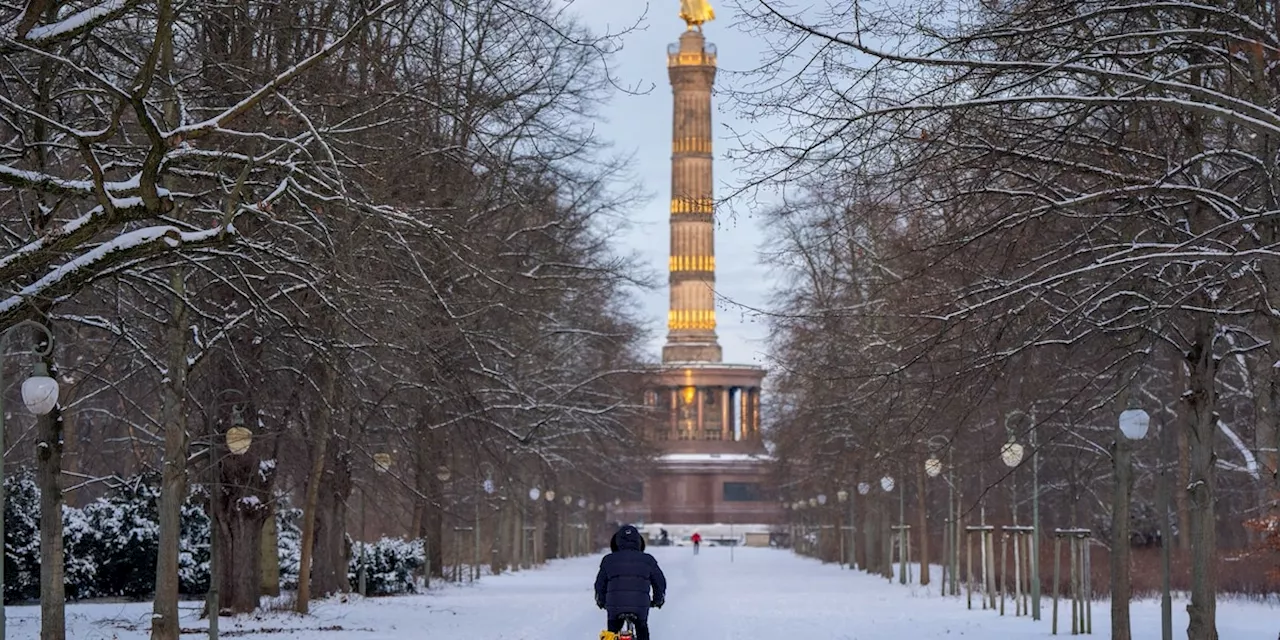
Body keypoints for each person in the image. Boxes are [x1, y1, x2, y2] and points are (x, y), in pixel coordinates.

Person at [595, 525, 666, 640]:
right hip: (640, 606)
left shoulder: (608, 560)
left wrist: (601, 600)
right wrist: (658, 599)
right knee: (642, 629)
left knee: (612, 633)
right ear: (639, 542)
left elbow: (600, 584)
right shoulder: (648, 560)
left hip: (615, 605)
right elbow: (659, 582)